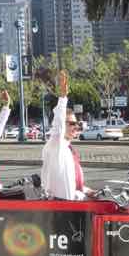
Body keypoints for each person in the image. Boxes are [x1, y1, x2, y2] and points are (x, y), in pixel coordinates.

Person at [41, 70, 95, 200]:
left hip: (72, 205)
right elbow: (58, 124)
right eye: (71, 123)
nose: (76, 126)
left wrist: (86, 190)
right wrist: (63, 98)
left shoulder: (68, 149)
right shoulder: (55, 145)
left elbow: (72, 182)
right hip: (59, 207)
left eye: (76, 123)